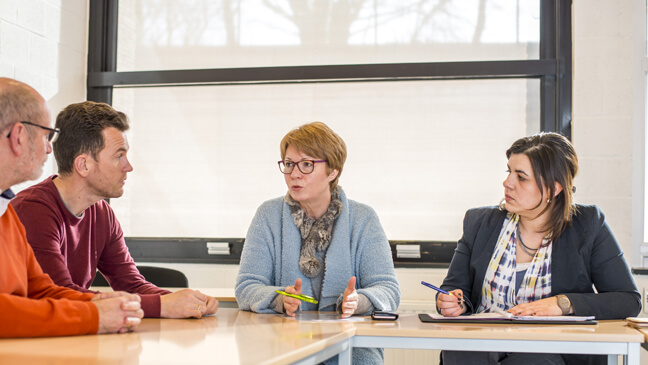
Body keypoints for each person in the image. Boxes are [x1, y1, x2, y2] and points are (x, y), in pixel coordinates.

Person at [437, 132, 641, 365]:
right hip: (482, 346)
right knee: (462, 354)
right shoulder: (479, 222)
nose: (507, 183)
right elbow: (453, 289)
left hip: (551, 351)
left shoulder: (588, 224)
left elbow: (627, 300)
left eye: (521, 177)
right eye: (509, 172)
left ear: (554, 189)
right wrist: (452, 302)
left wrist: (563, 304)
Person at [11, 101, 219, 319]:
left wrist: (187, 302)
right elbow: (60, 296)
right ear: (83, 165)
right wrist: (161, 306)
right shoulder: (33, 211)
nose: (128, 166)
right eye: (119, 155)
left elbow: (131, 283)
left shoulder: (101, 212)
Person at [235, 122, 400, 365]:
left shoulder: (363, 218)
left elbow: (388, 289)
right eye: (289, 164)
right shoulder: (268, 215)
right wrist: (280, 299)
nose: (294, 173)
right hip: (284, 348)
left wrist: (357, 302)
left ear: (333, 171)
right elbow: (247, 286)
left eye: (307, 164)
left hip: (351, 351)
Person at [0, 77, 144, 337]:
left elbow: (42, 290)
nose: (48, 149)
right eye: (46, 136)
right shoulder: (27, 208)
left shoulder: (6, 212)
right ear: (19, 136)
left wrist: (103, 303)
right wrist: (94, 315)